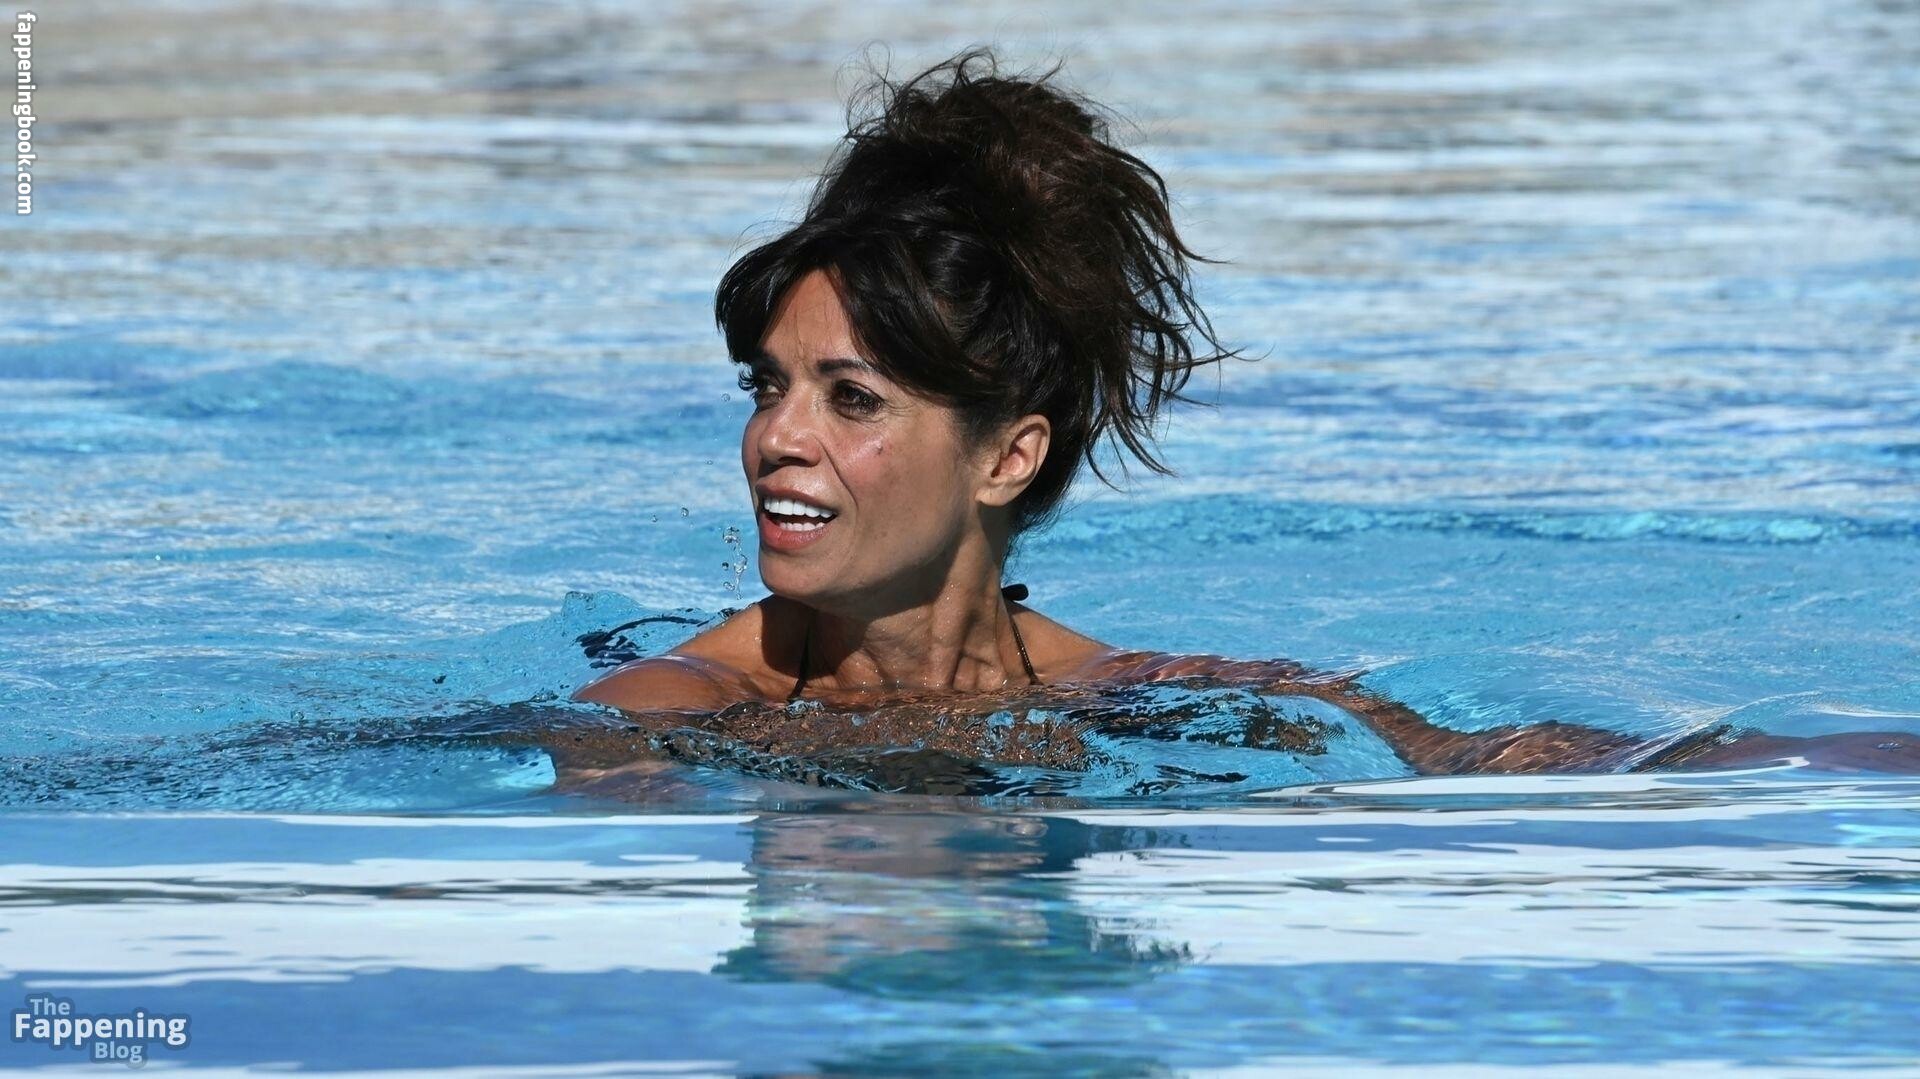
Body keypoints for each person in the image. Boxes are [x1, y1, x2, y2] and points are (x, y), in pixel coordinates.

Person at [568, 46, 1916, 784]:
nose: (776, 440)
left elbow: (1500, 757)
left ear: (1010, 455)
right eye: (769, 385)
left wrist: (1836, 758)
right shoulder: (669, 708)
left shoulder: (1141, 698)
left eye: (849, 397)